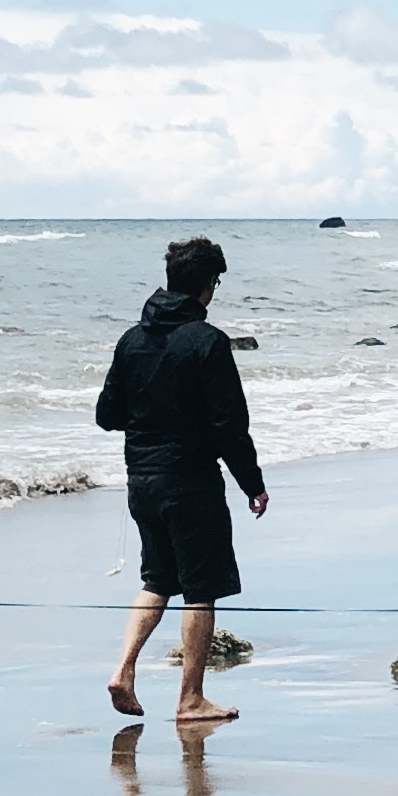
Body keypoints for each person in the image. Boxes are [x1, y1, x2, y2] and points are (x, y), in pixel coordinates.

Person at [95, 235, 268, 726]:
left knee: (157, 579)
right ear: (209, 285)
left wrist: (152, 413)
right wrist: (251, 483)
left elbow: (107, 415)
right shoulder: (207, 342)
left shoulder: (131, 339)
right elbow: (229, 426)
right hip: (191, 482)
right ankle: (190, 697)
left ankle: (124, 669)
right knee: (199, 588)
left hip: (141, 481)